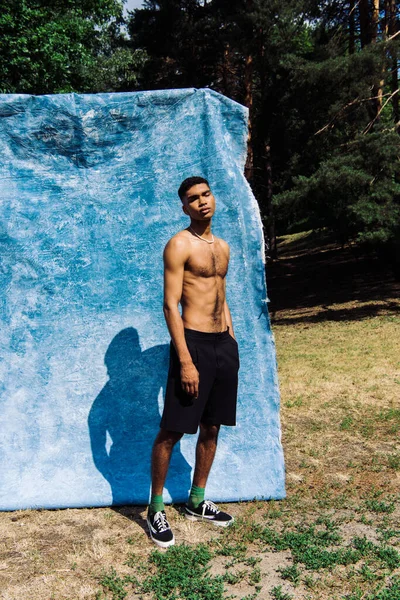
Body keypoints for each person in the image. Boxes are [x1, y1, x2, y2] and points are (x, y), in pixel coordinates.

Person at [146, 176, 240, 548]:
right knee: (173, 430)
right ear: (183, 207)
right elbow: (171, 305)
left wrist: (231, 341)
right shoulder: (179, 245)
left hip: (222, 345)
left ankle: (196, 501)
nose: (202, 202)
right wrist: (185, 360)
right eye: (192, 199)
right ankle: (155, 508)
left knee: (212, 426)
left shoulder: (224, 247)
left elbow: (221, 296)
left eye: (205, 195)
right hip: (194, 343)